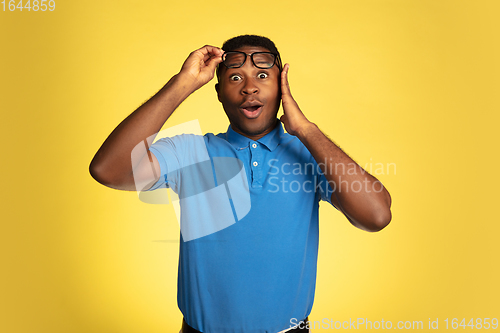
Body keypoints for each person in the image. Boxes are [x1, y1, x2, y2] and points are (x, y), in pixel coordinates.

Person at [89, 35, 392, 333]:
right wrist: (182, 84)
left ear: (282, 86)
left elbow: (376, 215)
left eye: (262, 75)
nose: (250, 87)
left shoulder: (311, 156)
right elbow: (109, 170)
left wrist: (305, 130)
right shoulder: (190, 153)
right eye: (235, 77)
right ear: (219, 92)